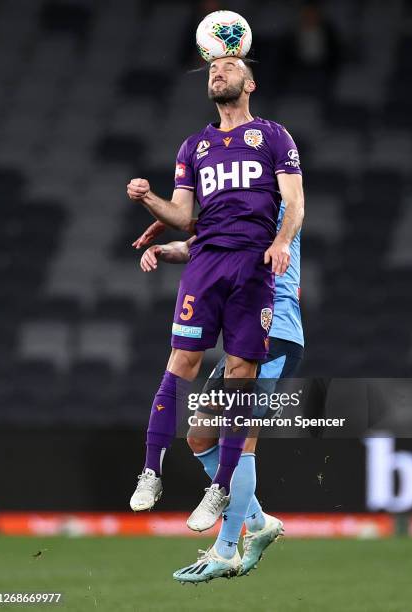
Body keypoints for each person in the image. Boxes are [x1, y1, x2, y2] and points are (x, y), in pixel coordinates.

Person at [126, 57, 304, 564]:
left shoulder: (272, 142)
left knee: (238, 411)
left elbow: (295, 205)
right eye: (212, 68)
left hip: (266, 293)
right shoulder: (196, 148)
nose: (216, 73)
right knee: (198, 417)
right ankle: (251, 520)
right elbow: (192, 225)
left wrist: (283, 241)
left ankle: (227, 547)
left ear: (251, 83)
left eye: (229, 67)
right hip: (214, 270)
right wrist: (153, 211)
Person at [134, 202, 304, 582]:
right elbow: (203, 244)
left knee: (238, 437)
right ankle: (259, 523)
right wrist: (165, 250)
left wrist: (164, 215)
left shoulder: (274, 206)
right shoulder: (242, 205)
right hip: (246, 331)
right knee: (199, 435)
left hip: (273, 333)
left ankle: (226, 550)